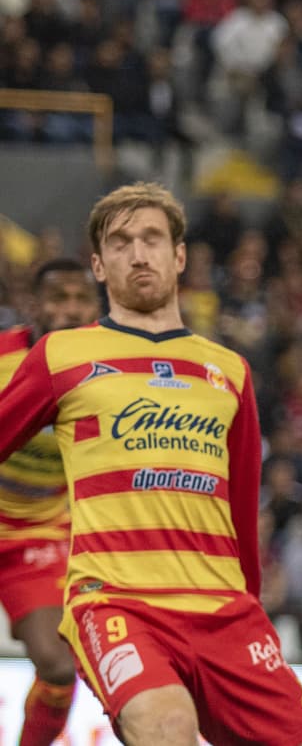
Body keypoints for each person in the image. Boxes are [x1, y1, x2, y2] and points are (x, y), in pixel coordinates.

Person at [0, 183, 302, 746]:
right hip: (116, 602)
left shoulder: (229, 371)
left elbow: (241, 510)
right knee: (168, 726)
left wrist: (250, 610)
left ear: (179, 257)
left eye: (152, 238)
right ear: (99, 266)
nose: (138, 253)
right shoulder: (60, 355)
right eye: (120, 243)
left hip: (227, 614)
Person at [0, 259, 100, 746]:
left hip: (36, 535)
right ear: (34, 305)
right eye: (58, 299)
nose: (71, 309)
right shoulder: (1, 357)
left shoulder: (108, 373)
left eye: (81, 298)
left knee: (60, 667)